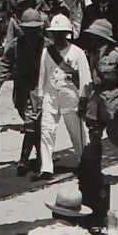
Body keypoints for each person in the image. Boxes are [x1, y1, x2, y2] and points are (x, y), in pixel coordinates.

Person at [81, 19, 118, 202]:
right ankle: (96, 172)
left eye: (95, 36)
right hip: (94, 100)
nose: (92, 39)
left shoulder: (117, 55)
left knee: (114, 135)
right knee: (94, 137)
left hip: (112, 100)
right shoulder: (91, 53)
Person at [33, 13, 91, 182]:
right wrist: (40, 97)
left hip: (71, 98)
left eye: (60, 33)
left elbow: (86, 79)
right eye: (54, 33)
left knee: (77, 133)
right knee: (46, 131)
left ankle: (83, 162)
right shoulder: (46, 52)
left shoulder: (77, 53)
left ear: (67, 33)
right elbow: (43, 76)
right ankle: (46, 168)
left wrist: (83, 99)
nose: (57, 37)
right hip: (50, 97)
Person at [0, 7, 47, 177]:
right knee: (32, 123)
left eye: (35, 30)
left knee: (32, 122)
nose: (32, 34)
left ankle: (24, 160)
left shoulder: (47, 45)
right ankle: (41, 155)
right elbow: (5, 63)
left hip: (39, 87)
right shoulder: (16, 45)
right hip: (21, 89)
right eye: (28, 30)